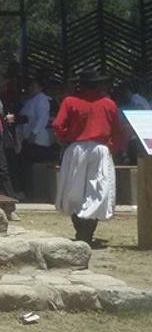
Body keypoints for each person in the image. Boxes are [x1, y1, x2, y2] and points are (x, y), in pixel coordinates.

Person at [54, 70, 124, 246]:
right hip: (100, 149)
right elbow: (118, 130)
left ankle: (80, 230)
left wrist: (68, 137)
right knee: (97, 191)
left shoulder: (70, 101)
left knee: (74, 189)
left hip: (77, 148)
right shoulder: (109, 104)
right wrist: (113, 149)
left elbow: (58, 125)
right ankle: (88, 232)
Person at [16, 76, 57, 195]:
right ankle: (26, 190)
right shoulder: (32, 100)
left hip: (37, 138)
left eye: (34, 86)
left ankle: (32, 191)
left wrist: (34, 133)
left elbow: (42, 118)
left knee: (29, 163)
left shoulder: (42, 100)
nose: (31, 88)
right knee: (24, 164)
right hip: (27, 135)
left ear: (40, 88)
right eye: (30, 86)